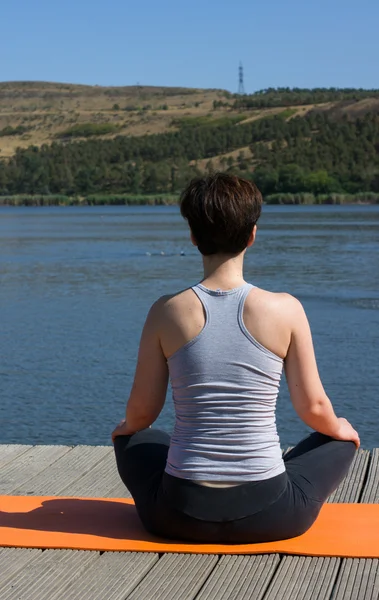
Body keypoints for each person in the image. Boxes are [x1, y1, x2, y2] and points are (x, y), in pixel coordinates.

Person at [112, 173, 359, 544]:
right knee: (337, 440)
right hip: (272, 514)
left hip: (177, 514)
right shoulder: (286, 309)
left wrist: (124, 431)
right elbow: (314, 408)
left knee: (139, 438)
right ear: (252, 235)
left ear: (193, 237)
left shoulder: (165, 311)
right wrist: (343, 431)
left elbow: (142, 414)